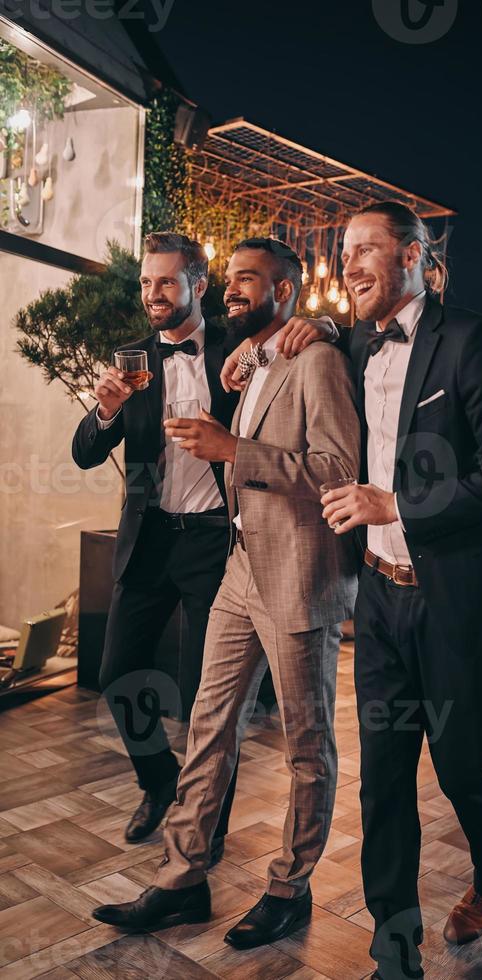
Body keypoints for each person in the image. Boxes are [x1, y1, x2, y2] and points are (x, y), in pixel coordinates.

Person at [225, 203, 482, 979]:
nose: (352, 262)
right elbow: (320, 346)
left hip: (460, 599)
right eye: (344, 250)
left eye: (367, 248)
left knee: (464, 767)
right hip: (380, 599)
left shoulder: (474, 340)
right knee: (385, 781)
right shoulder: (353, 340)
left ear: (414, 256)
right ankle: (394, 949)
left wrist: (396, 506)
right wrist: (274, 343)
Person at [91, 237, 361, 946]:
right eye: (231, 279)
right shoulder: (250, 360)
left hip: (299, 574)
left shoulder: (319, 357)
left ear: (287, 291)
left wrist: (233, 449)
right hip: (239, 569)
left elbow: (337, 466)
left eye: (249, 279)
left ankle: (290, 888)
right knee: (208, 727)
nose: (235, 290)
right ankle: (182, 878)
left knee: (307, 745)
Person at [72, 232, 241, 860]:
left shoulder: (238, 350)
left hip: (215, 544)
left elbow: (304, 338)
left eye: (165, 282)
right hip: (149, 540)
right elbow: (85, 453)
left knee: (207, 698)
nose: (152, 294)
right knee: (118, 674)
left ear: (199, 282)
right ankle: (158, 779)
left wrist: (327, 328)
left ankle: (208, 827)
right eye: (146, 283)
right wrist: (107, 411)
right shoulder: (132, 362)